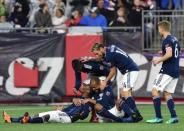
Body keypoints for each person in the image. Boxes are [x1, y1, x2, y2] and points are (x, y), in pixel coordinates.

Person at [90, 43, 143, 122]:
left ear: (101, 48)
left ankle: (136, 115)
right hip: (129, 71)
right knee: (123, 93)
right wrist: (90, 58)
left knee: (125, 93)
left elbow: (113, 71)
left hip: (130, 71)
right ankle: (130, 114)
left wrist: (105, 81)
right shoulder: (110, 48)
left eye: (97, 53)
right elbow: (104, 59)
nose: (97, 55)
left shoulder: (109, 55)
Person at [3, 80, 92, 124]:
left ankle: (28, 120)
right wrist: (61, 109)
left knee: (48, 116)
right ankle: (10, 119)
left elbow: (84, 115)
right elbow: (71, 108)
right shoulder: (79, 98)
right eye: (83, 85)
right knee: (37, 115)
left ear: (88, 90)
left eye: (85, 86)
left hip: (68, 118)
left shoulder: (88, 102)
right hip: (63, 113)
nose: (82, 86)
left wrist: (79, 115)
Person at [146, 20, 180, 124]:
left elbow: (169, 54)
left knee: (154, 91)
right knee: (167, 93)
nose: (158, 31)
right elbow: (175, 53)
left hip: (167, 70)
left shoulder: (166, 40)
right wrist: (163, 52)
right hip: (175, 70)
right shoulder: (175, 39)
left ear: (161, 29)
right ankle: (174, 117)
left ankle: (158, 117)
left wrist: (158, 60)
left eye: (158, 29)